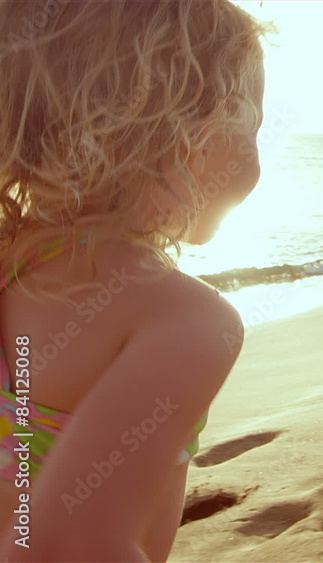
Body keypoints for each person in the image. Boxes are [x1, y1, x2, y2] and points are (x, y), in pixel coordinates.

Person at [0, 1, 270, 560]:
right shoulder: (186, 318)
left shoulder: (12, 261)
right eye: (255, 124)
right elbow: (73, 546)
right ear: (195, 134)